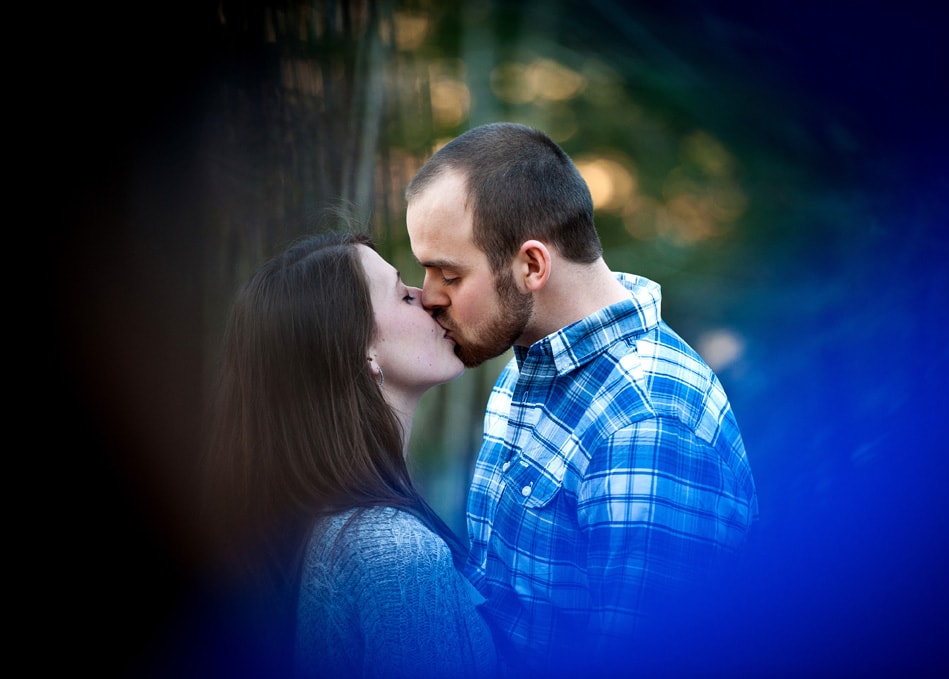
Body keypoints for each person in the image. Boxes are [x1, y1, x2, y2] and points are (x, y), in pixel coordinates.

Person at [404, 122, 759, 674]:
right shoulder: (532, 366)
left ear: (532, 265)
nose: (427, 297)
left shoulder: (647, 425)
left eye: (448, 274)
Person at [200, 229, 497, 678]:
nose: (431, 297)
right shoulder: (396, 553)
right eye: (403, 295)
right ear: (361, 354)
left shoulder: (330, 524)